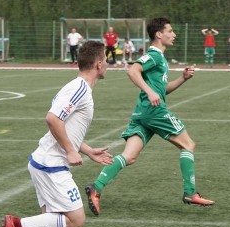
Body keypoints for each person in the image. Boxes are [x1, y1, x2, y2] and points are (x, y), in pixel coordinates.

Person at [0, 41, 113, 227]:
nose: (108, 65)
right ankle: (17, 224)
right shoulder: (79, 88)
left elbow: (66, 126)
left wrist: (87, 150)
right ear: (99, 63)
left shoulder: (79, 88)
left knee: (52, 224)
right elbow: (52, 119)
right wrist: (72, 152)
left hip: (45, 161)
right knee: (75, 221)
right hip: (51, 164)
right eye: (107, 60)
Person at [84, 17, 216, 215]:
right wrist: (149, 91)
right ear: (159, 34)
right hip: (154, 111)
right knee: (188, 145)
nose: (174, 34)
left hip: (143, 112)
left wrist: (182, 78)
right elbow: (132, 70)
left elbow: (162, 90)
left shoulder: (160, 59)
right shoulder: (154, 55)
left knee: (129, 157)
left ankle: (97, 186)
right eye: (170, 31)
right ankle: (190, 192)